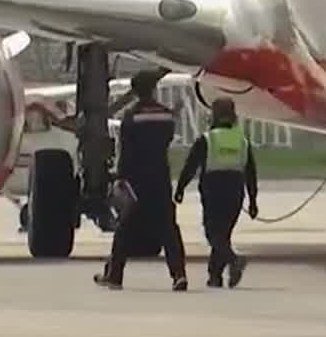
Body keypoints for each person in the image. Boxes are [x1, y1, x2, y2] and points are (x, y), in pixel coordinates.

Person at [94, 69, 189, 291]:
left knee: (125, 228)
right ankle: (179, 274)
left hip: (137, 179)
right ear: (153, 89)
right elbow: (165, 140)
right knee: (169, 228)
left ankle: (115, 275)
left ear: (135, 91)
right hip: (160, 176)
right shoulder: (166, 115)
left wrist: (121, 177)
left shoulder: (131, 115)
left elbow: (126, 149)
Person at [174, 97, 259, 289]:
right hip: (236, 190)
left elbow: (190, 166)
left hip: (214, 190)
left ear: (214, 114)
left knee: (213, 233)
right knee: (223, 234)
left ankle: (233, 260)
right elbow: (251, 172)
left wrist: (180, 188)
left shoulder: (207, 139)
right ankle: (215, 276)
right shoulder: (242, 142)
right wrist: (253, 200)